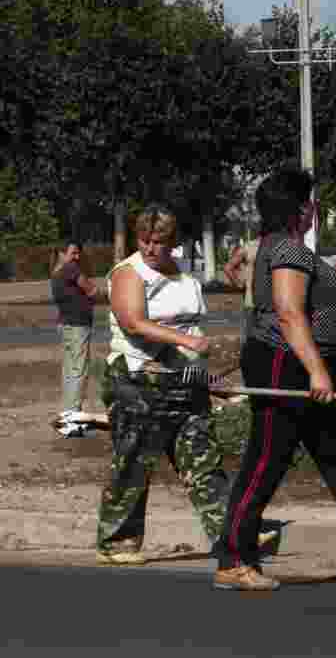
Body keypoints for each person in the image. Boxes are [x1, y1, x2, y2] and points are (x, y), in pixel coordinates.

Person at [213, 167, 336, 591]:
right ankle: (233, 557)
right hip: (285, 365)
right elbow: (288, 311)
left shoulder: (290, 249)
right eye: (311, 200)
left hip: (304, 366)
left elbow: (311, 304)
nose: (315, 207)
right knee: (267, 458)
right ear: (300, 207)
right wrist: (317, 370)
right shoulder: (287, 249)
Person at [96, 206, 234, 565]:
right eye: (144, 240)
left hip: (185, 382)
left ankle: (231, 531)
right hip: (138, 380)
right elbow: (133, 322)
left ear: (173, 242)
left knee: (203, 456)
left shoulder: (184, 277)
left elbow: (194, 332)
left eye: (158, 242)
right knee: (134, 460)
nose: (150, 248)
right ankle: (117, 541)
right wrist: (183, 342)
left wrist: (207, 377)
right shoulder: (130, 273)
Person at [51, 239, 101, 437]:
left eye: (78, 253)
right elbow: (92, 290)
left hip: (66, 325)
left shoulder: (55, 271)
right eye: (73, 253)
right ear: (62, 253)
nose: (77, 257)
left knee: (70, 371)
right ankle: (72, 419)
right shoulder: (71, 269)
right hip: (77, 325)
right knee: (78, 371)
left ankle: (68, 415)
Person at [223, 236, 261, 346]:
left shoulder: (279, 244)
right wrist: (239, 284)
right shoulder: (249, 246)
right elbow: (228, 267)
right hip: (253, 301)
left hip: (271, 302)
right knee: (251, 336)